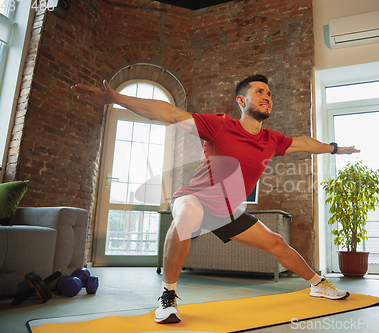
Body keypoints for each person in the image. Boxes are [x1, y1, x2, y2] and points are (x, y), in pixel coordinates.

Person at [71, 75, 360, 324]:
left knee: (277, 243)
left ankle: (317, 285)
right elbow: (169, 113)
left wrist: (335, 149)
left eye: (269, 94)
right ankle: (168, 297)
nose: (267, 97)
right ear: (240, 101)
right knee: (187, 217)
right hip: (194, 198)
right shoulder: (220, 126)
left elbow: (305, 143)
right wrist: (116, 98)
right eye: (259, 91)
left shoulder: (272, 140)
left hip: (227, 210)